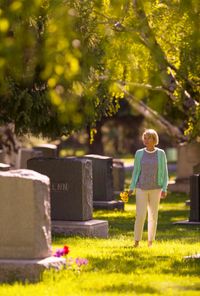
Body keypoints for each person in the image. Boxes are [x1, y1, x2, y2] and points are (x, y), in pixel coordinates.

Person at [128, 129, 168, 248]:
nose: (145, 140)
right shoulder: (139, 153)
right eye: (144, 138)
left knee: (153, 215)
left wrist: (164, 188)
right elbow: (135, 172)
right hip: (141, 188)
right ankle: (136, 241)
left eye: (148, 138)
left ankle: (150, 241)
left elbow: (165, 172)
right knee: (140, 215)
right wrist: (131, 187)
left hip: (156, 188)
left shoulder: (161, 153)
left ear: (154, 140)